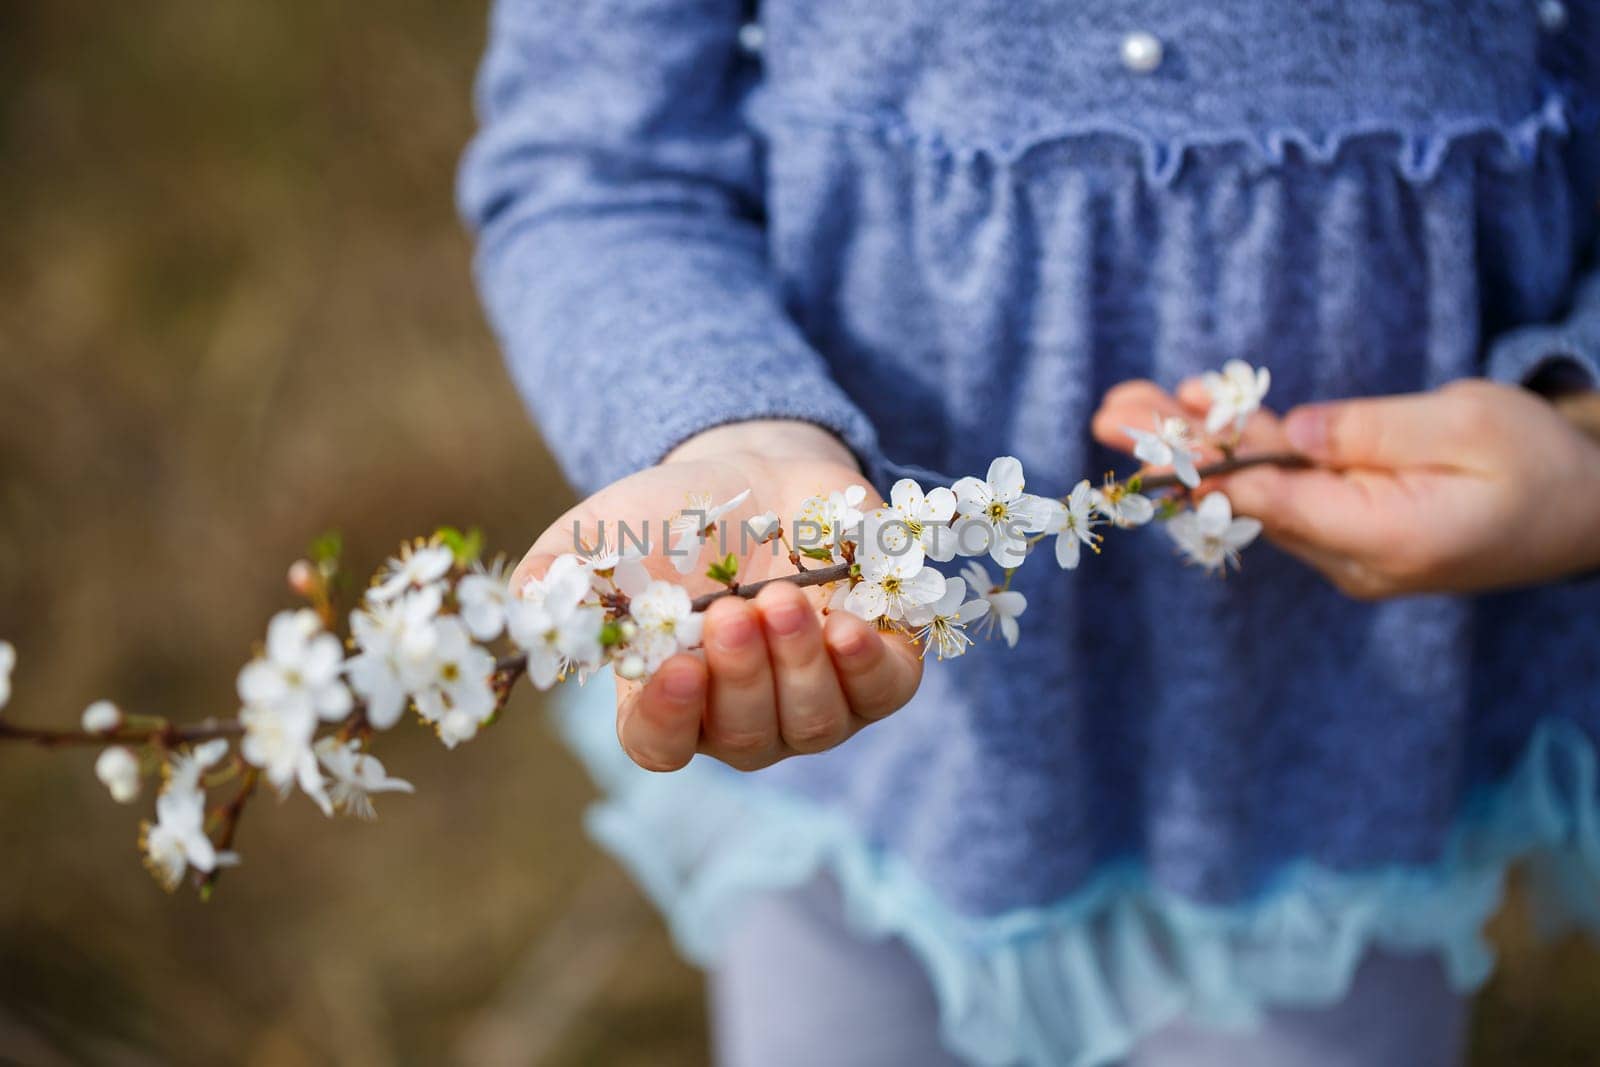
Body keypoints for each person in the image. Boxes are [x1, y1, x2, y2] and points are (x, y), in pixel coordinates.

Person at [458, 2, 1600, 1064]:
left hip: (1332, 747)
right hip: (880, 756)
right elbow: (596, 162)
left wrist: (1584, 423)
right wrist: (726, 428)